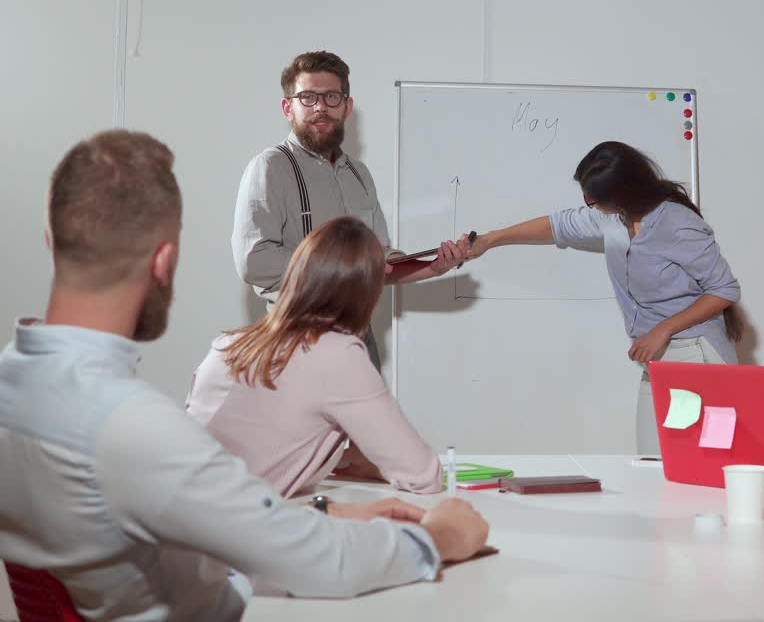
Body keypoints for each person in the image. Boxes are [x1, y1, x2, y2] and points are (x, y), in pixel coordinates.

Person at [0, 130, 489, 621]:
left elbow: (199, 523)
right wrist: (437, 537)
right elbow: (322, 565)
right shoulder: (133, 427)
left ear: (51, 241)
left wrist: (320, 513)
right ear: (164, 262)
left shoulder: (15, 382)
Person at [464, 141, 742, 454]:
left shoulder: (677, 223)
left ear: (625, 193)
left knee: (697, 462)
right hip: (658, 360)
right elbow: (557, 225)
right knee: (651, 461)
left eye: (593, 199)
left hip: (696, 355)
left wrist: (663, 329)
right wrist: (490, 240)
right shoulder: (614, 217)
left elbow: (724, 290)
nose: (589, 205)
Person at [232, 50, 465, 368]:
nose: (320, 107)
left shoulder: (359, 174)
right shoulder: (271, 167)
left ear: (346, 107)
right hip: (297, 343)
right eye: (307, 97)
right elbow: (254, 261)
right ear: (288, 108)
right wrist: (344, 267)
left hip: (358, 342)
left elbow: (379, 260)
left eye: (331, 97)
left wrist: (434, 266)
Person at [190, 216, 442, 498]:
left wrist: (346, 460)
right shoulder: (338, 355)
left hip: (180, 510)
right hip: (235, 519)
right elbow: (424, 475)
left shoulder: (227, 345)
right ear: (366, 292)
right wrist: (375, 466)